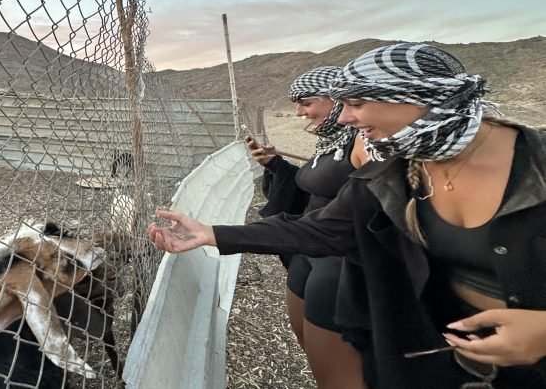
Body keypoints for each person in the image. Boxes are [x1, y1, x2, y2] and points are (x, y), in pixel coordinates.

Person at [149, 43, 546, 388]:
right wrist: (211, 233)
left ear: (419, 97)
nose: (344, 118)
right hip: (433, 356)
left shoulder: (537, 164)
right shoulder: (396, 171)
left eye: (356, 103)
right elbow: (320, 230)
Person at [248, 66, 370, 389]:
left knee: (340, 376)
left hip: (338, 265)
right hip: (308, 253)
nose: (299, 112)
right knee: (318, 362)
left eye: (306, 102)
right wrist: (275, 166)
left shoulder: (364, 142)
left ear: (337, 99)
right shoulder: (331, 139)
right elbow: (317, 190)